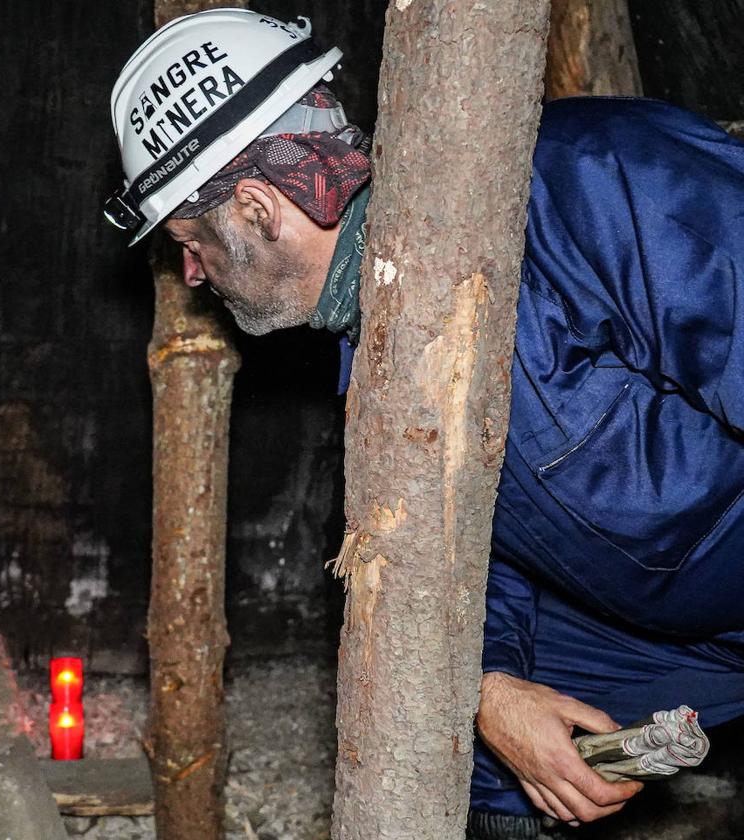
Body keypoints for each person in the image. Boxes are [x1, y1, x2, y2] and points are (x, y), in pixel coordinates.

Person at [104, 10, 744, 839]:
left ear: (259, 208)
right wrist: (490, 691)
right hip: (683, 627)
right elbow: (476, 549)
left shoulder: (592, 182)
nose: (189, 272)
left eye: (190, 241)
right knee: (476, 738)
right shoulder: (367, 357)